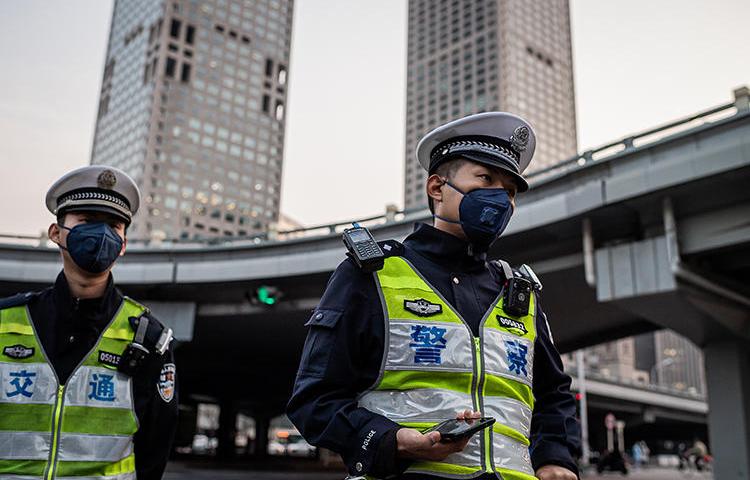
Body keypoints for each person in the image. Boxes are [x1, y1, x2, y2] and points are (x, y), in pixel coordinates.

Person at [287, 112, 581, 479]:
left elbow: (553, 394)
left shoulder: (518, 292)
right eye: (485, 179)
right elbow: (314, 400)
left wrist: (556, 458)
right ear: (437, 188)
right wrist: (393, 440)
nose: (499, 199)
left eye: (508, 191)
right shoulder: (372, 276)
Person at [0, 166, 178, 479]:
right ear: (56, 233)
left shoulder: (150, 339)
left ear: (122, 244)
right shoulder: (5, 322)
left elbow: (155, 448)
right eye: (87, 222)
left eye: (113, 225)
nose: (101, 234)